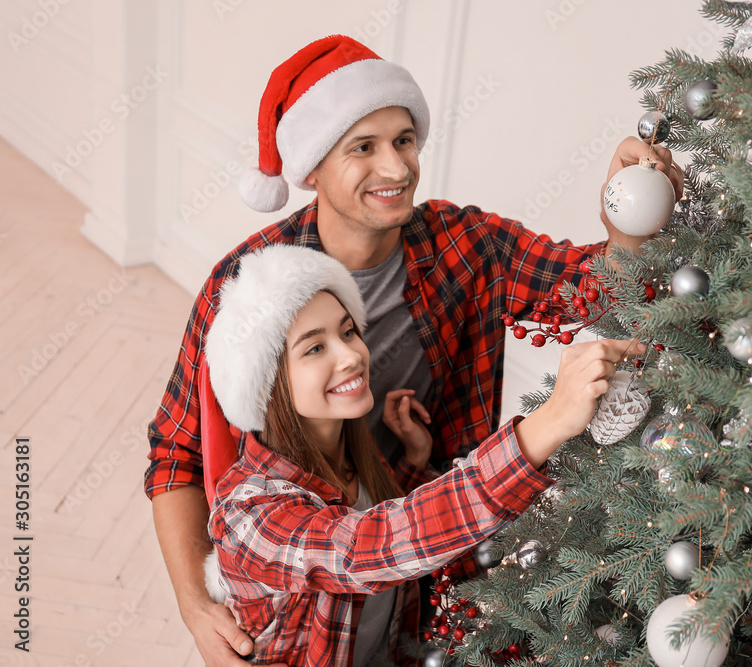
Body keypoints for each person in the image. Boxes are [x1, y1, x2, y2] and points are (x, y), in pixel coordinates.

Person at [144, 34, 683, 666]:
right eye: (363, 148)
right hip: (322, 580)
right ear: (313, 167)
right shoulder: (250, 292)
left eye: (403, 140)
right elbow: (176, 454)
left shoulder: (463, 246)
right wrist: (194, 604)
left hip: (431, 563)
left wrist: (625, 222)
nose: (397, 169)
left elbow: (593, 294)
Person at [201, 243, 642, 665]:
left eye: (348, 331)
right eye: (315, 348)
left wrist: (413, 464)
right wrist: (548, 423)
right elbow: (366, 548)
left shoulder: (346, 448)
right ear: (269, 386)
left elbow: (376, 517)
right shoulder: (248, 514)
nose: (351, 355)